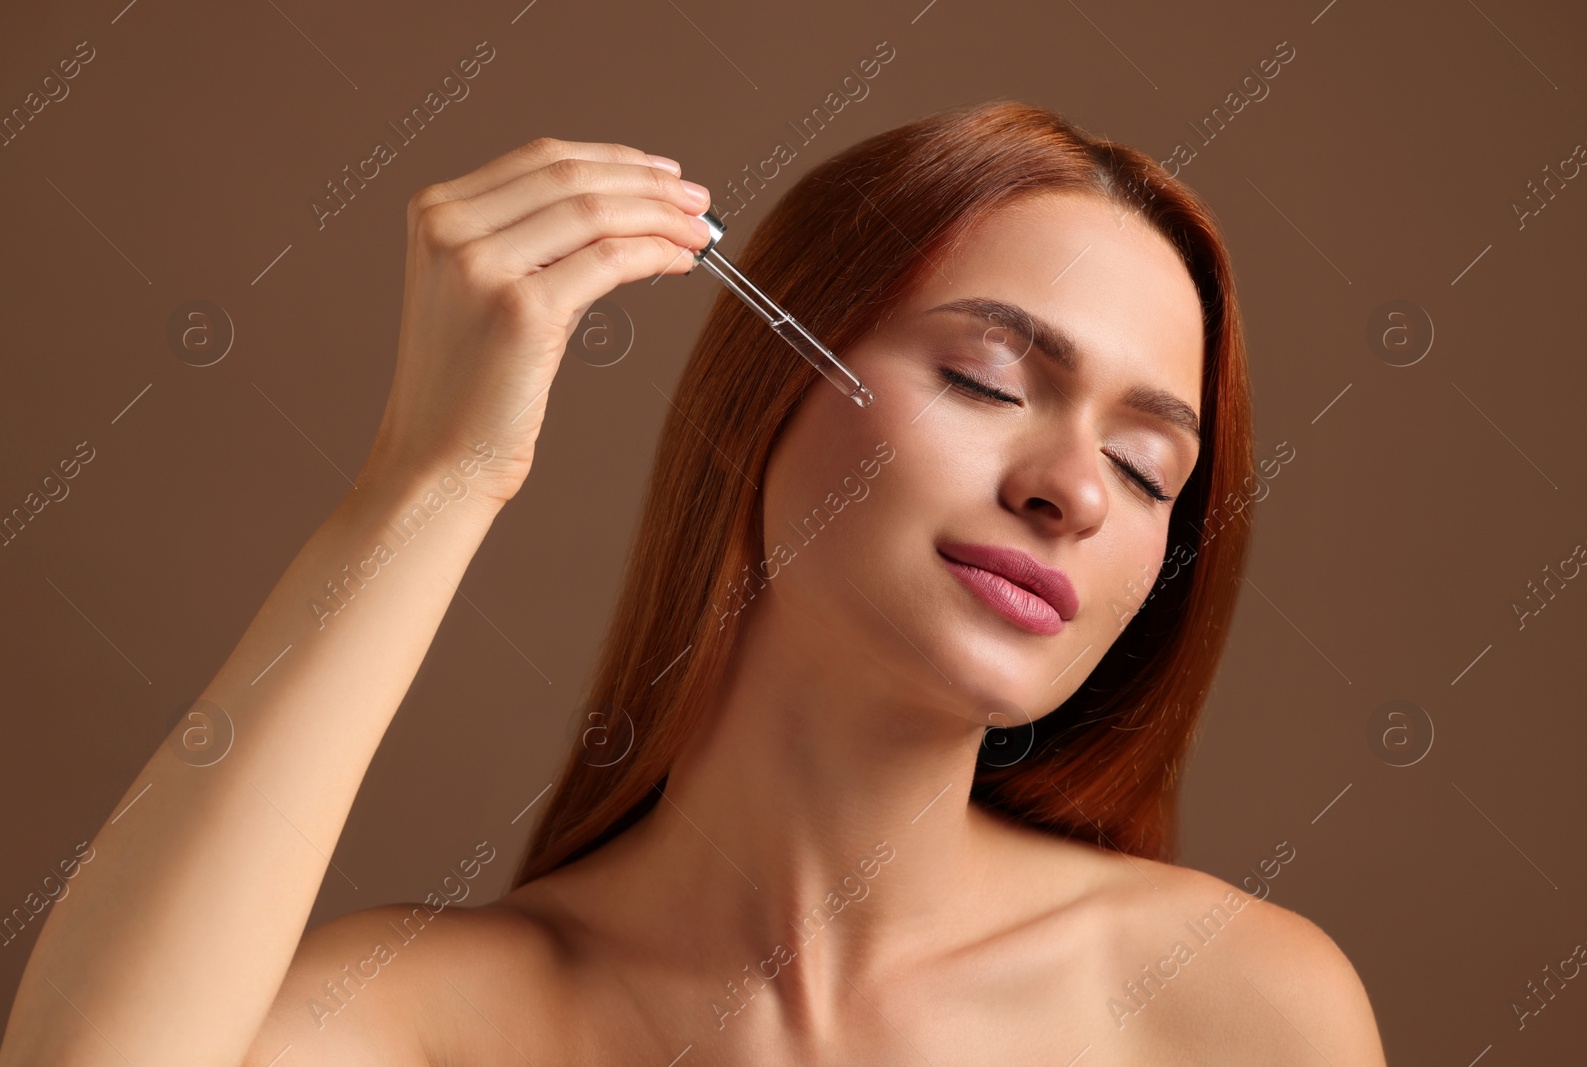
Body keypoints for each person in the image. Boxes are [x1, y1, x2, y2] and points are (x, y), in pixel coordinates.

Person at [0, 100, 1386, 1065]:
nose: (1075, 492)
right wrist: (427, 481)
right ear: (760, 397)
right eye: (984, 379)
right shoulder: (424, 1019)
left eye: (1150, 471)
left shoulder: (1234, 1010)